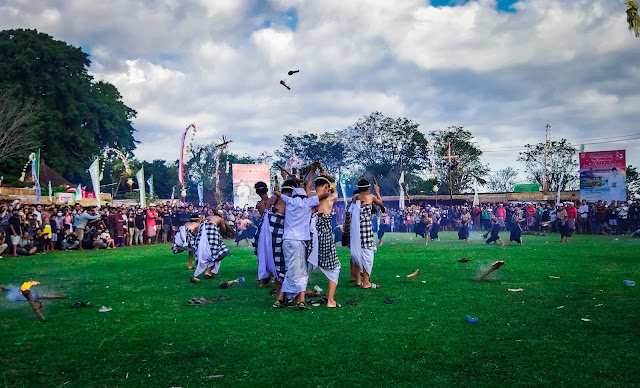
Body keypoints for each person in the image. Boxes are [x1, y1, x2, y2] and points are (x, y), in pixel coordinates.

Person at [274, 168, 329, 309]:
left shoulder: (289, 201)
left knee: (291, 270)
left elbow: (277, 193)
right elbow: (325, 194)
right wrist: (323, 176)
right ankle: (299, 300)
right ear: (305, 195)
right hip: (299, 242)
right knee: (302, 271)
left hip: (286, 241)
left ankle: (282, 299)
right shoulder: (307, 203)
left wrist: (282, 181)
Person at [308, 174, 341, 308]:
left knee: (305, 268)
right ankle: (331, 301)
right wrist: (332, 184)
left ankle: (299, 297)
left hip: (310, 236)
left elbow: (307, 190)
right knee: (335, 267)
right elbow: (336, 192)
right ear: (326, 186)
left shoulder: (310, 197)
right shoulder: (329, 198)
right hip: (325, 236)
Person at [349, 178, 384, 289]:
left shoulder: (355, 198)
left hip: (355, 231)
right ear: (369, 188)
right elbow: (380, 204)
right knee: (368, 254)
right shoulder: (371, 197)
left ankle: (358, 281)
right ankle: (366, 282)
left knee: (358, 253)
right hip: (366, 230)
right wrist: (377, 192)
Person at [191, 215, 234, 282]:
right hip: (210, 232)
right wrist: (221, 234)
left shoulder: (208, 218)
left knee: (208, 252)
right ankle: (208, 272)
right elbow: (224, 229)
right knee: (215, 252)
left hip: (202, 233)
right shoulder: (220, 219)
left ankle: (208, 271)